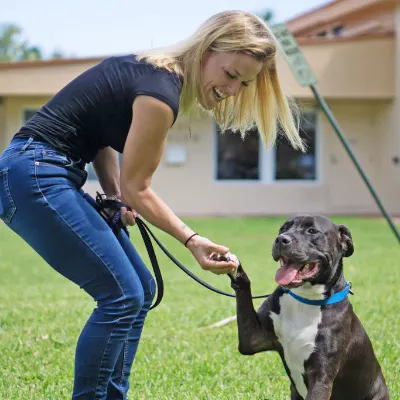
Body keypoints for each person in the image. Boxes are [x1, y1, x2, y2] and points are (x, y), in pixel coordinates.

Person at [0, 10, 305, 400]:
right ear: (206, 48)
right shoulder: (161, 93)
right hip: (34, 175)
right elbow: (139, 187)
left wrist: (112, 193)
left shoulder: (150, 72)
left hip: (39, 171)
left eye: (243, 84)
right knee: (121, 296)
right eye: (230, 75)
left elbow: (98, 135)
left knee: (140, 289)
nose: (232, 90)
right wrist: (192, 239)